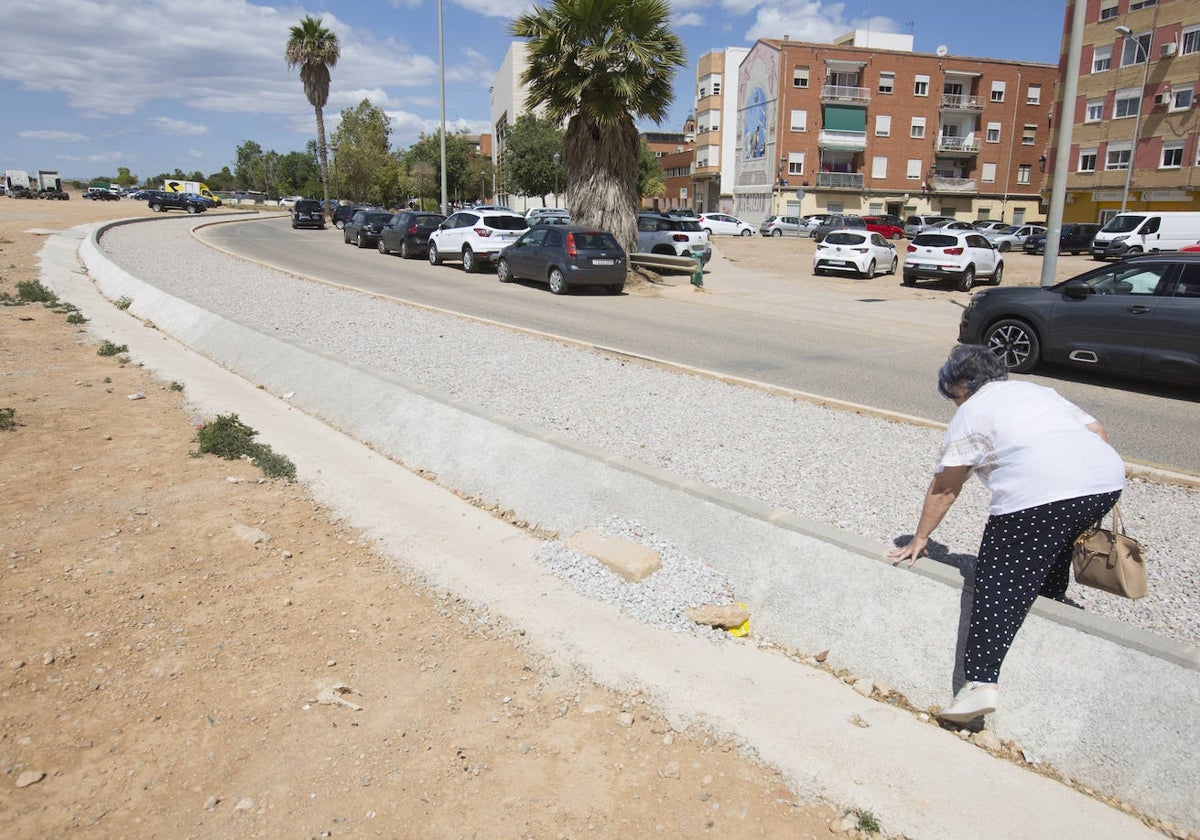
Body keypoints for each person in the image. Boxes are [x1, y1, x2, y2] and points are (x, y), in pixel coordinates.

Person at [889, 345, 1125, 724]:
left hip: (1038, 493)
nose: (952, 401)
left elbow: (946, 487)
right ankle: (1051, 595)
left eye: (951, 395)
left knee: (997, 580)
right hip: (1107, 482)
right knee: (1055, 533)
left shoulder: (971, 412)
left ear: (959, 387)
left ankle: (980, 683)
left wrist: (920, 539)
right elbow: (1097, 430)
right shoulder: (1036, 391)